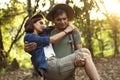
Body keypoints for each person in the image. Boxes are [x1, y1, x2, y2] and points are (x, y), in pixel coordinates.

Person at [24, 4, 100, 80]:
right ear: (54, 21)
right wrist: (26, 49)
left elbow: (79, 52)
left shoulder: (73, 31)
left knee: (85, 52)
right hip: (52, 70)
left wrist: (79, 61)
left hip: (67, 72)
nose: (62, 22)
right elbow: (39, 46)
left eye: (64, 19)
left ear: (68, 19)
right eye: (59, 19)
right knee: (86, 54)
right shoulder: (47, 34)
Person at [24, 13, 75, 80]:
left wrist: (69, 25)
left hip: (54, 62)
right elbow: (51, 39)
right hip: (49, 64)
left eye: (44, 24)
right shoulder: (29, 36)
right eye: (41, 23)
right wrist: (67, 30)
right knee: (84, 54)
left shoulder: (42, 33)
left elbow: (56, 26)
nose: (43, 25)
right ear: (33, 23)